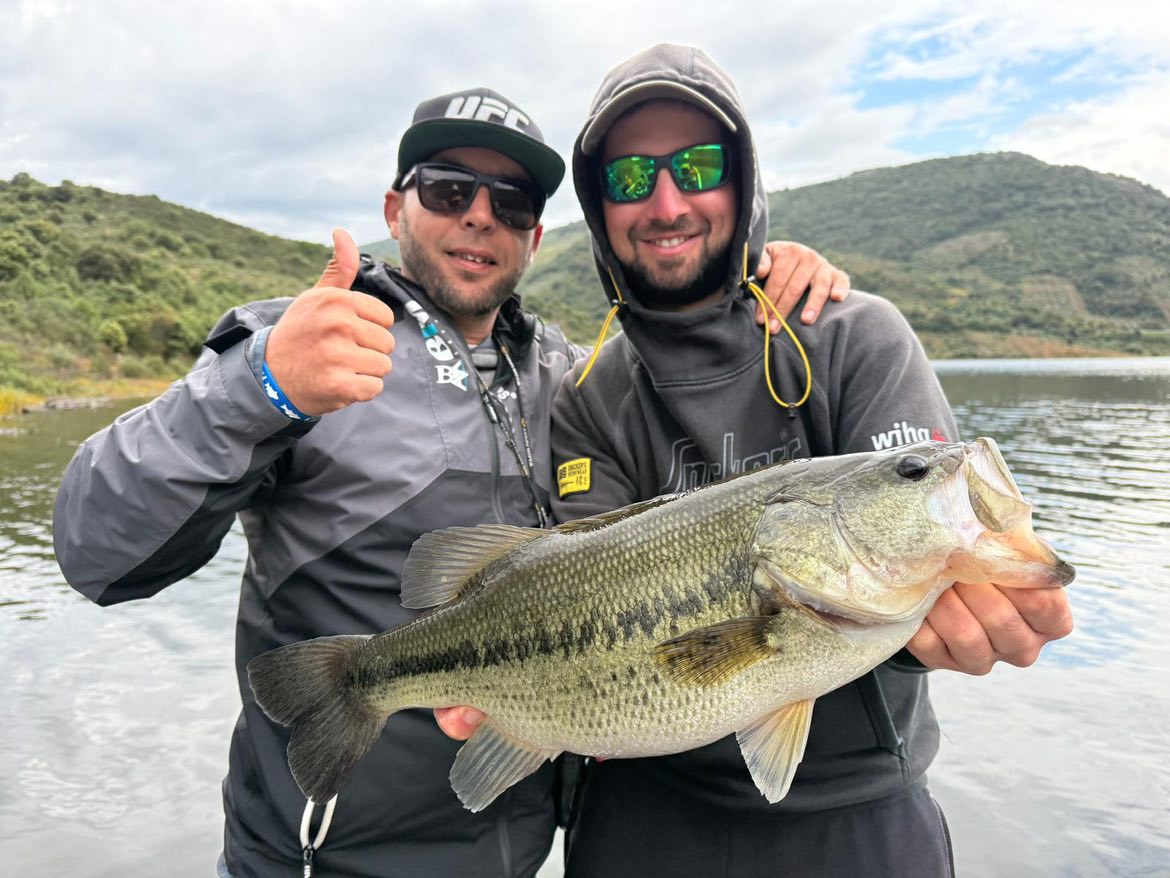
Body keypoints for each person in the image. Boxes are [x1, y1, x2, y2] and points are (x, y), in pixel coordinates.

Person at [53, 84, 849, 877]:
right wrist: (255, 387)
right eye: (447, 189)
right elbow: (95, 551)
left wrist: (764, 271)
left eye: (509, 201)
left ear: (535, 236)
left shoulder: (571, 377)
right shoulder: (297, 340)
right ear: (397, 207)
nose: (478, 214)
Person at [441, 44, 1075, 877]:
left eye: (698, 165)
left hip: (860, 821)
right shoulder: (589, 397)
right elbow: (586, 605)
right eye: (630, 180)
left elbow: (927, 590)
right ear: (600, 211)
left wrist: (963, 626)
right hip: (642, 818)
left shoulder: (854, 336)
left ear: (743, 181)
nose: (666, 202)